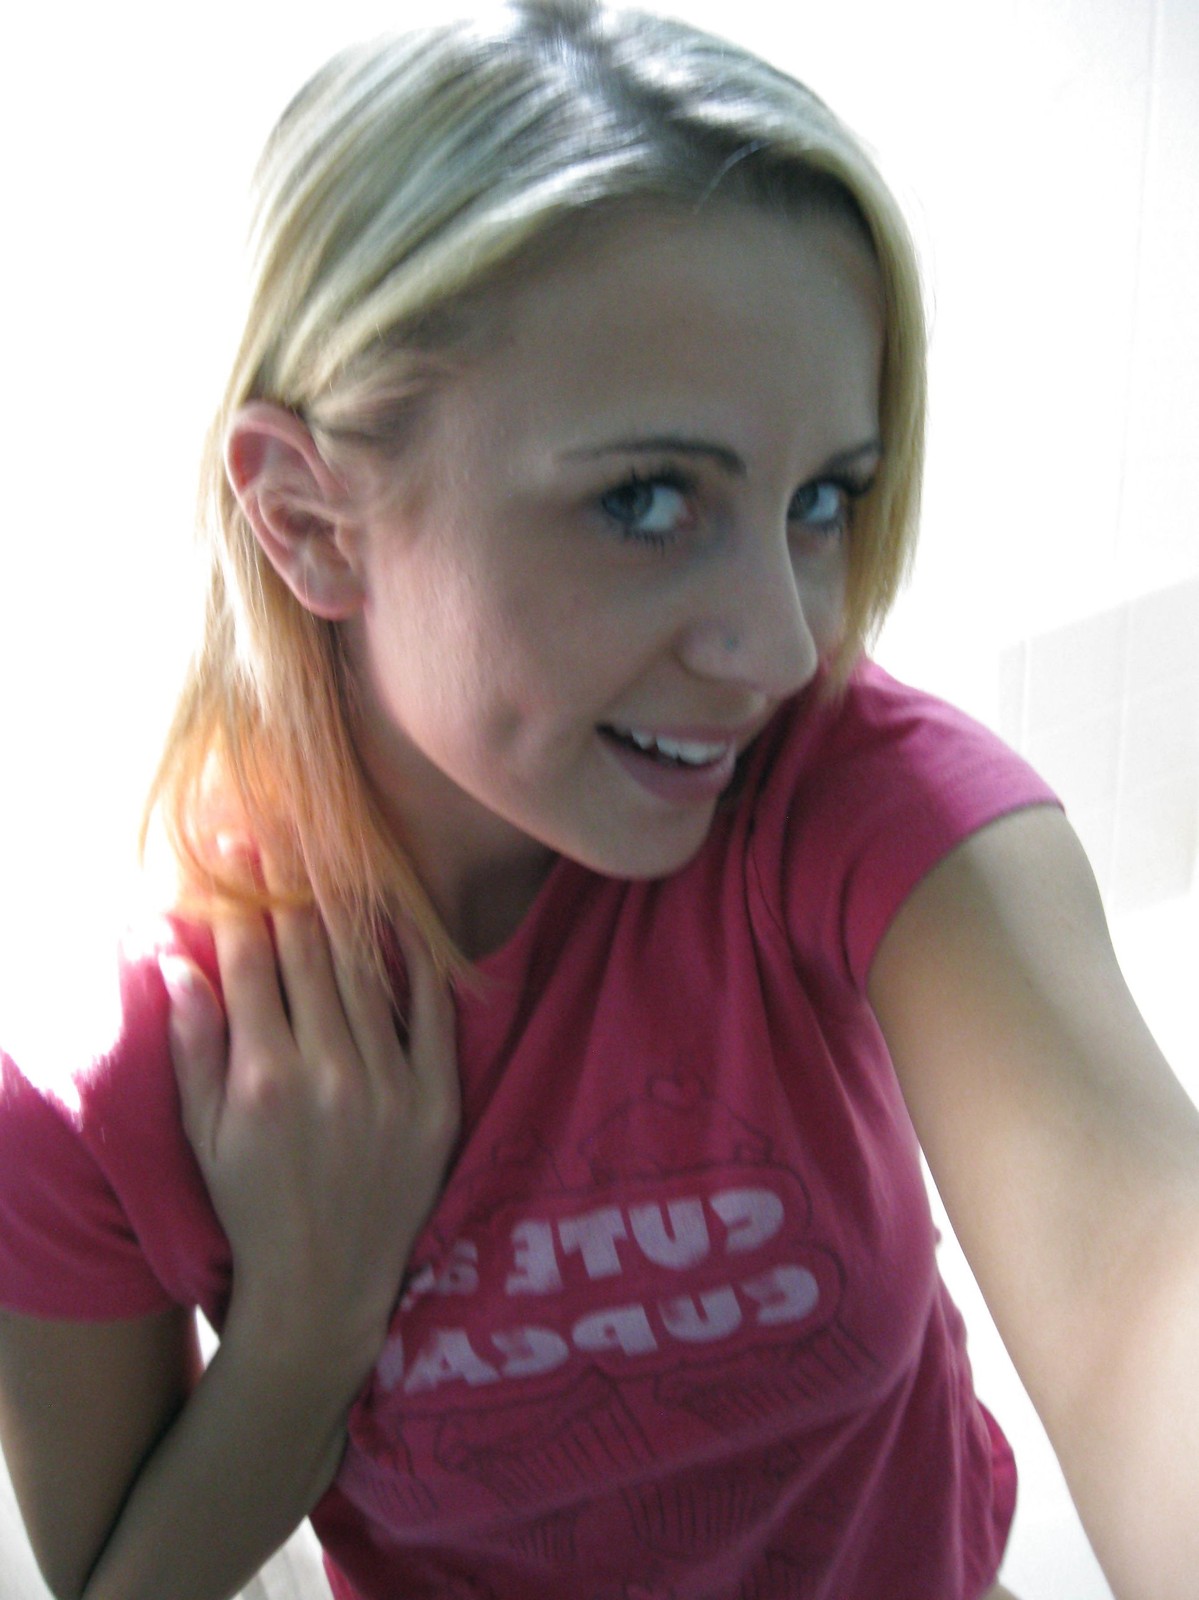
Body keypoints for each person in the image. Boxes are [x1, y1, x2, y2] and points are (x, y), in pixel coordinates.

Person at [0, 2, 1195, 1597]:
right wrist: (299, 1343)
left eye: (822, 499)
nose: (783, 645)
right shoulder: (116, 1088)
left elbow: (1142, 1277)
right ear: (311, 520)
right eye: (645, 500)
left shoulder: (853, 813)